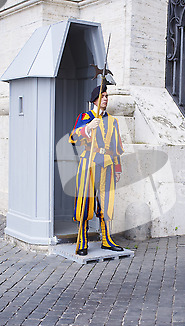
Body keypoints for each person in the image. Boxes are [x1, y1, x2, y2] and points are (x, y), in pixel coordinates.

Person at [69, 84, 124, 255]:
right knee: (85, 202)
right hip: (89, 164)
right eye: (103, 95)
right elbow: (73, 138)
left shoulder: (113, 121)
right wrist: (87, 128)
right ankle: (82, 242)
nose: (106, 99)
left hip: (107, 165)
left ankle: (106, 240)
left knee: (106, 204)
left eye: (107, 96)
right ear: (95, 99)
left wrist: (117, 168)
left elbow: (116, 147)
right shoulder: (86, 117)